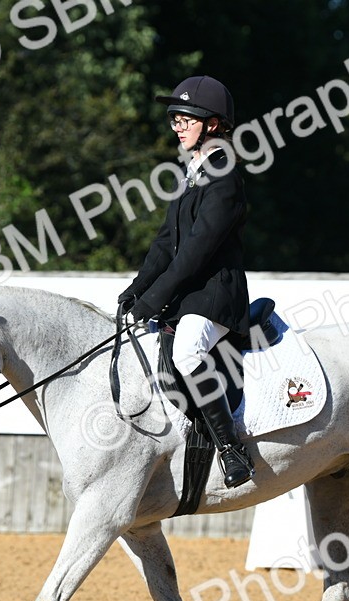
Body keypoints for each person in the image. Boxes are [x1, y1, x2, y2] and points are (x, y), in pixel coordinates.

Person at [117, 75, 255, 489]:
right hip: (190, 292)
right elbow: (166, 242)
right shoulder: (191, 172)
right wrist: (137, 289)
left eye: (185, 119)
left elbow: (196, 250)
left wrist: (154, 299)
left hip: (216, 295)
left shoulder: (225, 176)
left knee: (188, 350)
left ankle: (231, 449)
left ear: (212, 124)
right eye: (174, 118)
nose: (176, 126)